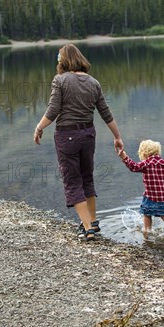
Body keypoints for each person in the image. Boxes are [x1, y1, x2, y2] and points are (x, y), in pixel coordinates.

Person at [33, 44, 124, 241]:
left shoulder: (60, 80)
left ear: (63, 60)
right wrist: (117, 137)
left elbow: (53, 110)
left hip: (67, 136)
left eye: (59, 58)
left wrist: (39, 128)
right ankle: (92, 222)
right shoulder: (93, 82)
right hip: (89, 135)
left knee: (72, 181)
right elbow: (106, 113)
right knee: (87, 178)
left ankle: (88, 228)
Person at [118, 139, 164, 236]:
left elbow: (134, 167)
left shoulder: (146, 163)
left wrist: (124, 157)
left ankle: (147, 231)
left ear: (144, 153)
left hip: (150, 196)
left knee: (147, 214)